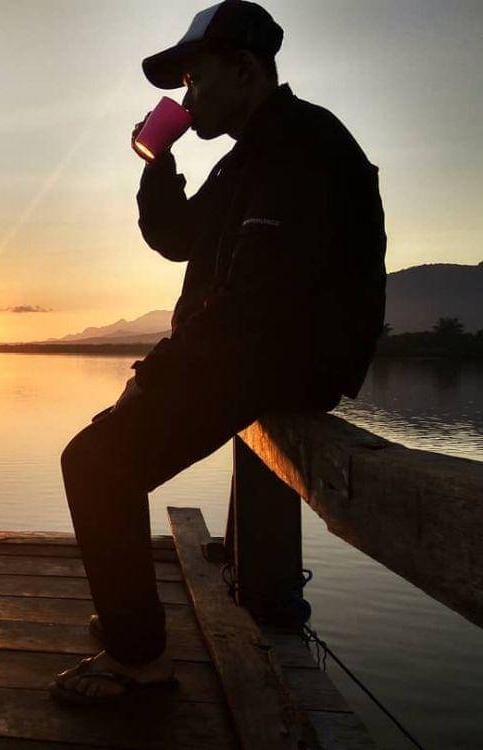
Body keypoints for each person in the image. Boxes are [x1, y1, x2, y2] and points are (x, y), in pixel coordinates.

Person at [49, 0, 386, 706]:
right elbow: (178, 238)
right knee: (104, 457)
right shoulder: (249, 159)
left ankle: (138, 662)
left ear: (245, 71)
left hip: (277, 361)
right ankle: (131, 623)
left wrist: (157, 374)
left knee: (94, 464)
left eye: (195, 80)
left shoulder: (301, 147)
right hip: (250, 356)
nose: (187, 97)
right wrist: (156, 160)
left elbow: (255, 306)